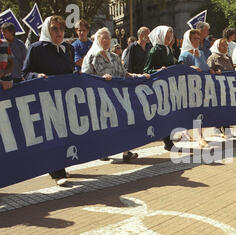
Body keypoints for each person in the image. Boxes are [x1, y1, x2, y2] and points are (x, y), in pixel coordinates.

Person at [81, 27, 150, 161]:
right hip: (100, 98)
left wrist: (140, 76)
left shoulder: (114, 57)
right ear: (97, 40)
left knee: (122, 123)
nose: (107, 40)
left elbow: (124, 74)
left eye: (108, 37)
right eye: (103, 38)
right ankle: (102, 151)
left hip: (117, 96)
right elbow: (85, 77)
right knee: (104, 125)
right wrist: (100, 80)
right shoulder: (91, 56)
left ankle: (125, 152)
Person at [22, 16, 75, 186]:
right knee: (53, 136)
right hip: (46, 103)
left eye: (61, 29)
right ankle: (57, 172)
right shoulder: (36, 49)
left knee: (66, 134)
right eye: (54, 29)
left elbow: (70, 70)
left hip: (66, 101)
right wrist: (37, 76)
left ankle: (61, 166)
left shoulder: (68, 48)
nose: (59, 33)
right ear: (47, 30)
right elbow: (26, 73)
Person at [143, 26, 178, 150]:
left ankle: (169, 141)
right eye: (167, 37)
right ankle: (167, 142)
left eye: (170, 37)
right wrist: (158, 70)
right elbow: (146, 70)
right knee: (164, 114)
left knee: (170, 114)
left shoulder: (169, 49)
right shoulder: (155, 51)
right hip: (159, 87)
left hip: (169, 86)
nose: (169, 39)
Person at [178, 29, 212, 147]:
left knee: (199, 110)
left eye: (198, 38)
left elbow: (204, 67)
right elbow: (181, 69)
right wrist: (191, 68)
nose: (197, 41)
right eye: (194, 39)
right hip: (188, 86)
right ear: (189, 40)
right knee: (192, 110)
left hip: (201, 85)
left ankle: (196, 134)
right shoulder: (184, 54)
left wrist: (211, 69)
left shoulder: (201, 53)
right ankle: (197, 136)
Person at [207, 38, 236, 138]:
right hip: (218, 89)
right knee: (221, 109)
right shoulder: (213, 58)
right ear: (217, 46)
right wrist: (215, 72)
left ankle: (226, 129)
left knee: (227, 109)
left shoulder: (228, 57)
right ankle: (219, 128)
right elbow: (209, 71)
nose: (225, 47)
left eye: (226, 45)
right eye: (223, 45)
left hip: (228, 88)